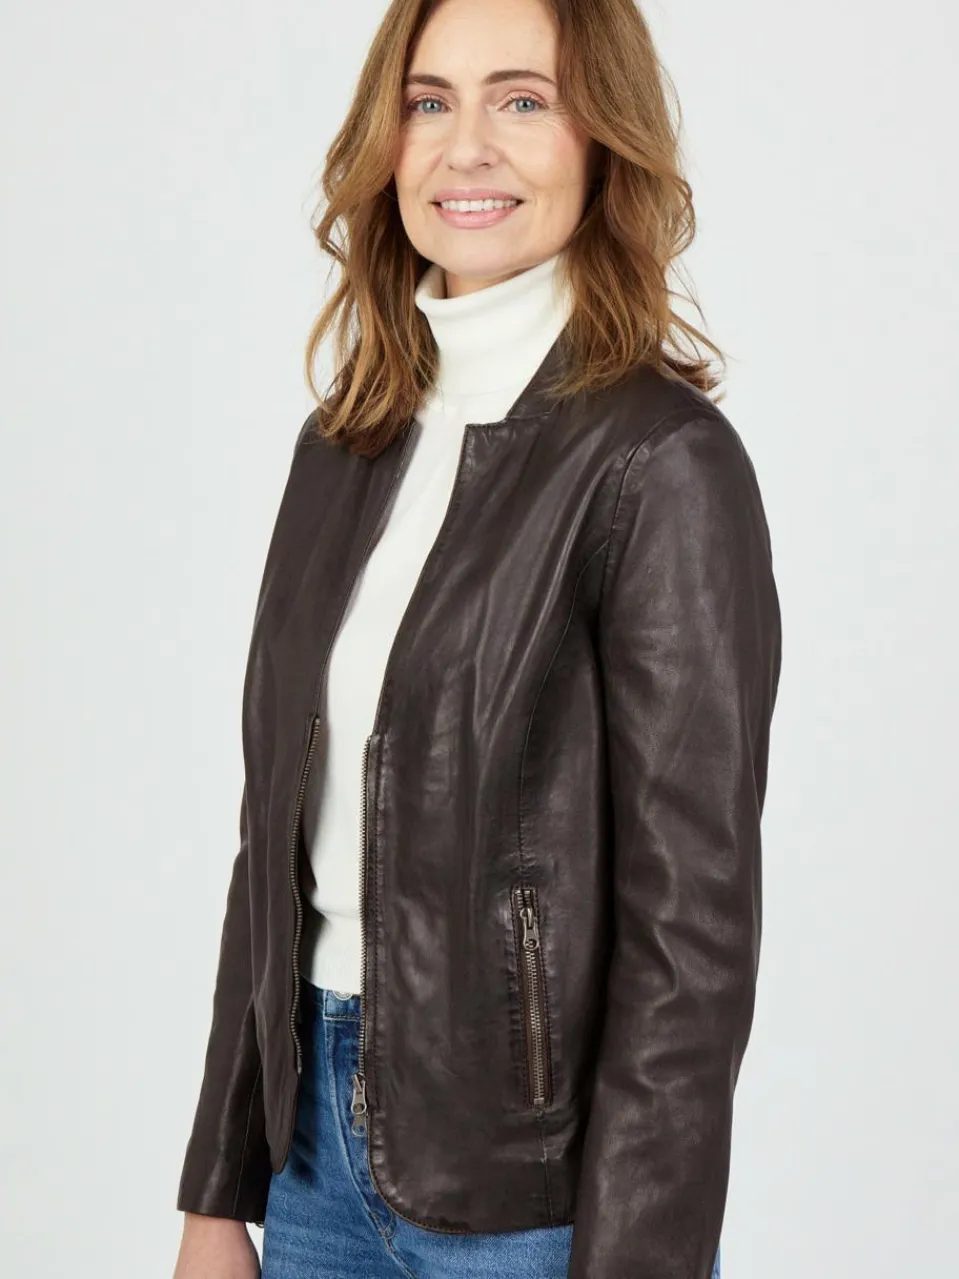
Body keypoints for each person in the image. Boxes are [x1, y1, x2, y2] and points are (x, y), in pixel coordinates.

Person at [172, 0, 782, 1274]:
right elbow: (270, 839)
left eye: (521, 99)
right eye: (427, 102)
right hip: (308, 1166)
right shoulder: (346, 442)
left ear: (600, 141)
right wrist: (217, 1192)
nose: (466, 147)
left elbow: (690, 939)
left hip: (534, 1199)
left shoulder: (658, 461)